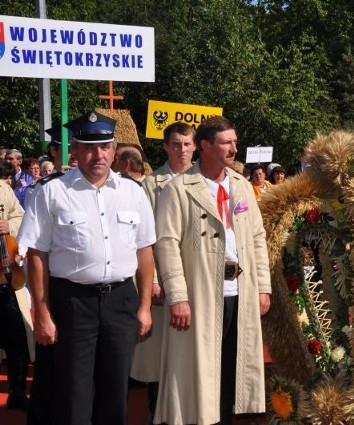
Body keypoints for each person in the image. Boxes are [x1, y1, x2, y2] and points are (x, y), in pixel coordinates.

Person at [17, 110, 156, 425]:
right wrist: (42, 311)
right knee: (74, 395)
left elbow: (145, 251)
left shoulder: (133, 193)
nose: (98, 154)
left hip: (121, 301)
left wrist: (145, 305)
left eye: (105, 146)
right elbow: (36, 255)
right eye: (89, 147)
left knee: (115, 393)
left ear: (114, 149)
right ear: (75, 151)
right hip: (73, 303)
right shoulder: (51, 191)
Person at [153, 116, 271, 425]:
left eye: (234, 141)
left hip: (239, 292)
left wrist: (262, 288)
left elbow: (258, 238)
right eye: (227, 142)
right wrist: (178, 296)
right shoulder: (178, 188)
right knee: (201, 372)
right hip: (201, 293)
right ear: (205, 145)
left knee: (234, 373)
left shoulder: (243, 186)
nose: (234, 148)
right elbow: (166, 244)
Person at [130, 121, 196, 424]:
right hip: (164, 284)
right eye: (175, 144)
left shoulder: (205, 181)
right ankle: (159, 417)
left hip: (198, 281)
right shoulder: (150, 184)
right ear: (166, 146)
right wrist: (153, 281)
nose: (181, 150)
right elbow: (145, 240)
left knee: (195, 359)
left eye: (186, 144)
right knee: (161, 361)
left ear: (195, 146)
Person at [0, 180, 34, 412]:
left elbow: (21, 217)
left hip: (6, 274)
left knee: (17, 337)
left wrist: (7, 225)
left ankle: (17, 391)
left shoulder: (3, 188)